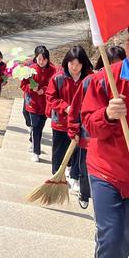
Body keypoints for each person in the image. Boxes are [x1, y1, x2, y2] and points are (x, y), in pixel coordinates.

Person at [82, 55, 129, 258]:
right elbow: (90, 125)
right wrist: (108, 114)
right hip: (107, 170)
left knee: (125, 238)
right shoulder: (105, 79)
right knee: (112, 239)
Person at [68, 46, 126, 209]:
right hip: (90, 138)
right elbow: (77, 108)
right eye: (112, 62)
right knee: (83, 169)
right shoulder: (94, 80)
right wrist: (73, 129)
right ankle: (84, 193)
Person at [46, 45, 92, 178]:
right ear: (67, 62)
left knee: (77, 151)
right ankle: (56, 175)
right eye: (72, 63)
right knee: (59, 150)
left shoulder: (89, 78)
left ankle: (73, 175)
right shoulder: (58, 77)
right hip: (61, 121)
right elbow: (50, 97)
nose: (75, 67)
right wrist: (66, 107)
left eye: (78, 64)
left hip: (81, 122)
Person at [21, 45, 57, 162]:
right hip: (33, 103)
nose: (41, 62)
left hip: (46, 105)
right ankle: (36, 152)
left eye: (44, 59)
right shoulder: (30, 69)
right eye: (39, 59)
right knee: (36, 126)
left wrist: (45, 89)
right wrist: (32, 88)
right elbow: (23, 85)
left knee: (40, 127)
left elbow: (55, 86)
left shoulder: (53, 70)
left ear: (48, 59)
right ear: (35, 58)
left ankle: (33, 140)